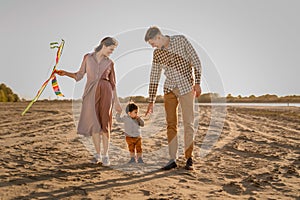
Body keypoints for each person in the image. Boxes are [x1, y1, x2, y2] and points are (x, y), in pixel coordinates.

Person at [56, 37, 122, 166]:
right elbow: (79, 75)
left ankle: (105, 155)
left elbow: (113, 84)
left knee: (105, 123)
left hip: (106, 92)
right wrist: (65, 73)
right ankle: (97, 154)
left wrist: (117, 102)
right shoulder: (87, 58)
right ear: (104, 45)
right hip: (90, 93)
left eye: (113, 50)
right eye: (111, 49)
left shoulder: (110, 63)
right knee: (94, 125)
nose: (111, 52)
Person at [144, 26, 202, 170]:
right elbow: (154, 75)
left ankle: (189, 158)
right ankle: (172, 159)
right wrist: (151, 100)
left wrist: (198, 83)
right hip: (169, 89)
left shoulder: (181, 40)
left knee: (188, 123)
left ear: (158, 37)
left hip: (186, 87)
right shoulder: (157, 53)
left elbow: (196, 61)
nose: (153, 46)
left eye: (152, 43)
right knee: (171, 125)